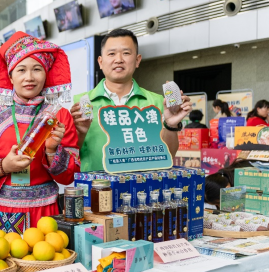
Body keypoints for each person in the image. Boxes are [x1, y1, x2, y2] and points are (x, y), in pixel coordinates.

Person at [0, 32, 79, 234]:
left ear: (46, 74)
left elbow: (69, 177)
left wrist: (52, 151)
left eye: (37, 69)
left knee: (41, 264)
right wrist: (4, 166)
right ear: (10, 75)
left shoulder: (60, 115)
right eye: (21, 70)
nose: (29, 77)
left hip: (42, 213)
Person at [71, 29, 191, 172]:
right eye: (111, 54)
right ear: (101, 62)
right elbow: (68, 159)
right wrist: (79, 133)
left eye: (126, 53)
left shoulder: (158, 102)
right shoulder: (81, 103)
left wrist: (171, 125)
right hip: (97, 189)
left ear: (137, 60)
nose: (119, 59)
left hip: (141, 190)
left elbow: (167, 157)